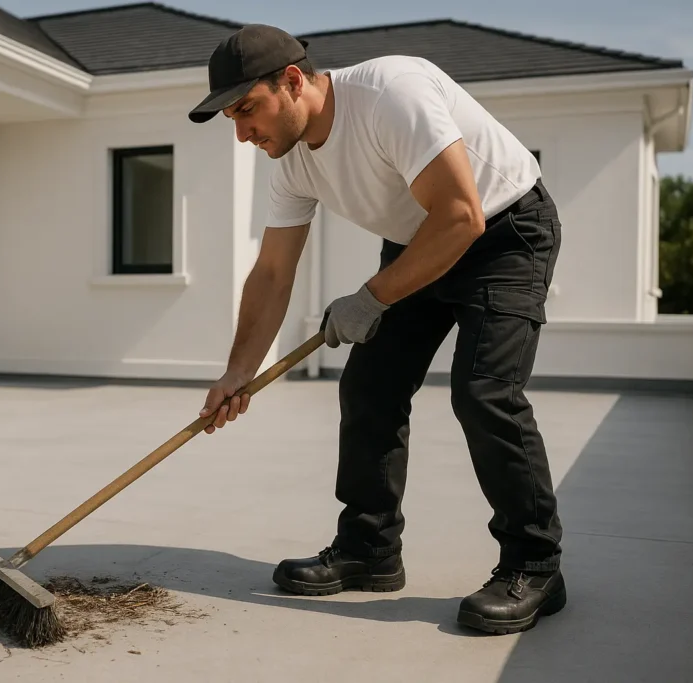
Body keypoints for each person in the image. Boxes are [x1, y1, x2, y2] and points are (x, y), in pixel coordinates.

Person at [188, 23, 566, 634]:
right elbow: (273, 272)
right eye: (232, 118)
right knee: (369, 386)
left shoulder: (391, 93)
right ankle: (369, 548)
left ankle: (536, 565)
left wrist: (368, 299)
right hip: (420, 238)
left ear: (292, 82)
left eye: (247, 110)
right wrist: (238, 371)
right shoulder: (291, 162)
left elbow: (462, 216)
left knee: (485, 392)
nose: (242, 133)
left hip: (503, 232)